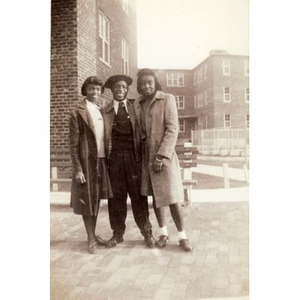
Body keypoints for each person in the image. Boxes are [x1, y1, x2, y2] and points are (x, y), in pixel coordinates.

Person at [136, 68, 193, 252]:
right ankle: (163, 233)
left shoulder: (167, 99)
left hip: (164, 159)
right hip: (147, 159)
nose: (146, 86)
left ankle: (183, 237)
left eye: (150, 83)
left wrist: (161, 155)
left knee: (173, 198)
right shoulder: (139, 103)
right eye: (143, 83)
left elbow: (172, 129)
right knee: (156, 199)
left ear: (155, 83)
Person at [101, 74, 154, 248]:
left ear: (127, 89)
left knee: (139, 197)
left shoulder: (135, 108)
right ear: (111, 90)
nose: (120, 90)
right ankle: (117, 234)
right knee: (116, 198)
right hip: (114, 158)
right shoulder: (106, 111)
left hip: (134, 158)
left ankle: (147, 233)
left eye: (123, 87)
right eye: (117, 87)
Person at [69, 76, 113, 254]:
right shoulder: (77, 112)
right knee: (87, 200)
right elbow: (73, 145)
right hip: (87, 163)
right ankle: (90, 238)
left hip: (101, 161)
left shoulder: (100, 110)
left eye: (97, 89)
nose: (95, 92)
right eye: (91, 89)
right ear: (85, 91)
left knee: (95, 200)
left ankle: (93, 235)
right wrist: (78, 169)